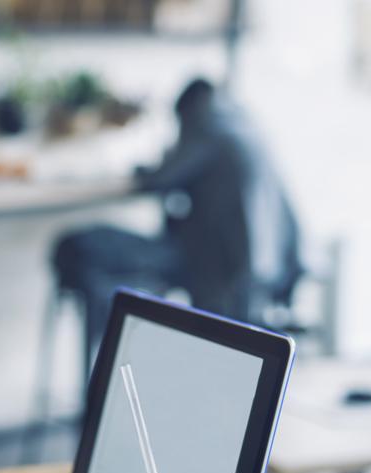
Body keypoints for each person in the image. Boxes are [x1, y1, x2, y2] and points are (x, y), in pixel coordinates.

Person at [52, 78, 301, 368]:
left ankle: (107, 358)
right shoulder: (246, 127)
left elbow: (159, 180)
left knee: (80, 247)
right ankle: (116, 344)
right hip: (254, 262)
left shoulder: (208, 129)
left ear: (187, 110)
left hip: (212, 263)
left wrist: (151, 166)